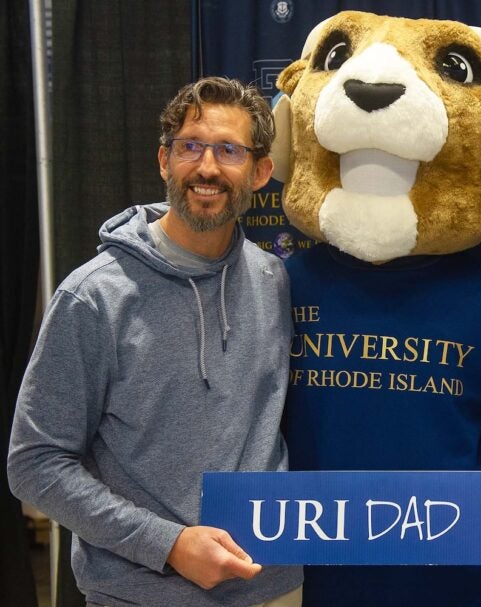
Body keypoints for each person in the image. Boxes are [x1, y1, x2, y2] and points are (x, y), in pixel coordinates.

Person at [7, 77, 303, 607]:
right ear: (165, 161)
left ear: (260, 172)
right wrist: (168, 545)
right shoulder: (93, 297)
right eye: (191, 146)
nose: (207, 167)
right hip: (140, 594)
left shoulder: (274, 281)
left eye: (229, 150)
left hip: (272, 589)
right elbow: (35, 464)